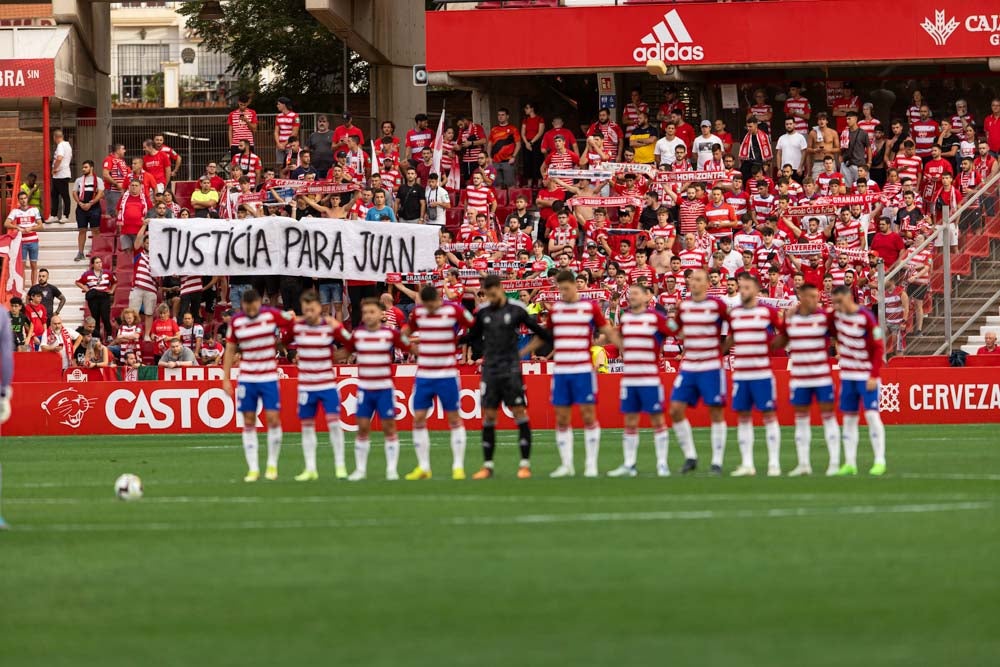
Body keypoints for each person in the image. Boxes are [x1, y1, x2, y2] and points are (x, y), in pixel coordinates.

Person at [466, 275, 551, 480]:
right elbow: (471, 337)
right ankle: (487, 466)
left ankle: (524, 465)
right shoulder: (483, 312)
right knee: (489, 416)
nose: (489, 296)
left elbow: (541, 333)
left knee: (519, 412)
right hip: (490, 370)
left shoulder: (516, 309)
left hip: (511, 370)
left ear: (500, 289)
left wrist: (523, 353)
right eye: (486, 293)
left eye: (492, 292)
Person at [548, 270, 620, 478]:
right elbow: (548, 334)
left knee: (588, 415)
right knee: (562, 416)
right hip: (561, 370)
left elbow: (606, 330)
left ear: (574, 285)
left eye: (566, 288)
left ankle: (590, 464)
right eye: (559, 289)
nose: (563, 292)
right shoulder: (556, 310)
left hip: (582, 370)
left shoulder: (590, 307)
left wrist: (622, 346)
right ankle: (566, 464)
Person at [400, 286, 474, 480]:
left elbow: (475, 325)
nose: (429, 309)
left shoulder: (454, 310)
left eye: (431, 305)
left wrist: (461, 341)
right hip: (424, 374)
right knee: (418, 418)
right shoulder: (419, 313)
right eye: (426, 305)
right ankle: (424, 467)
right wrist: (411, 347)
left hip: (447, 374)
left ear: (439, 299)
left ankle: (458, 466)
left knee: (454, 419)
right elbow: (404, 333)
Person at [222, 289, 295, 482]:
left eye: (254, 307)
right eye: (247, 307)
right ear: (243, 306)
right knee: (248, 420)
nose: (251, 310)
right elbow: (229, 350)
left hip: (268, 376)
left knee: (272, 418)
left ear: (258, 304)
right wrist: (226, 378)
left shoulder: (270, 314)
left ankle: (272, 465)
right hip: (247, 377)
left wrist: (283, 342)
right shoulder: (237, 321)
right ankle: (253, 468)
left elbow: (293, 320)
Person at [666, 268, 730, 475]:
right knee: (675, 409)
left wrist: (722, 349)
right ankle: (690, 456)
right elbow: (676, 329)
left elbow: (734, 326)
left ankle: (717, 462)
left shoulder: (717, 305)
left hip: (711, 366)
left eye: (698, 279)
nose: (693, 282)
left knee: (715, 410)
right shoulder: (683, 307)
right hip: (689, 365)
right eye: (692, 279)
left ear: (707, 284)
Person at [606, 283, 672, 478]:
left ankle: (662, 464)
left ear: (646, 297)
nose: (631, 296)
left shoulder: (656, 318)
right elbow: (619, 341)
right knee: (630, 420)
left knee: (657, 418)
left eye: (635, 293)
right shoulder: (626, 320)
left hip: (649, 377)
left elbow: (674, 329)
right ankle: (629, 464)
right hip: (629, 378)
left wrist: (679, 324)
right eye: (629, 293)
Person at [774, 283, 841, 475]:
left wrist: (840, 351)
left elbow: (840, 335)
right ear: (801, 298)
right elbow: (781, 341)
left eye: (815, 296)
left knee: (828, 418)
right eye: (808, 296)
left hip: (821, 376)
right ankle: (803, 464)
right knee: (801, 419)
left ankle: (834, 463)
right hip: (800, 377)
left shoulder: (824, 318)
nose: (813, 300)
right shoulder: (793, 320)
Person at [342, 298, 410, 481]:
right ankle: (361, 470)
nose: (368, 316)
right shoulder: (357, 334)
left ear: (381, 314)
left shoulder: (390, 334)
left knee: (389, 427)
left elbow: (409, 345)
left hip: (384, 389)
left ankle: (391, 470)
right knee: (362, 428)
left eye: (372, 312)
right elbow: (344, 353)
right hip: (364, 389)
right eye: (365, 313)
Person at [291, 290, 352, 481]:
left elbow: (351, 343)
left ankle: (340, 466)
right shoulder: (297, 327)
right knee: (307, 427)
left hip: (327, 385)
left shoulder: (331, 325)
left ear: (319, 308)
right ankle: (310, 468)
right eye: (306, 309)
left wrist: (334, 357)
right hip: (306, 387)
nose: (309, 312)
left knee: (334, 425)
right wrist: (295, 357)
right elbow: (283, 343)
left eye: (312, 308)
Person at [726, 275, 782, 477]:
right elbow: (732, 338)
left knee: (768, 415)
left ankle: (774, 464)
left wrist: (772, 344)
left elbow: (783, 333)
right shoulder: (735, 314)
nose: (743, 291)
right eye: (741, 287)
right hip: (741, 373)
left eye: (747, 287)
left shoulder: (767, 312)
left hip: (761, 373)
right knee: (743, 417)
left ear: (757, 290)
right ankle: (747, 464)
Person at [832, 285, 886, 476]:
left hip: (865, 376)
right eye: (834, 302)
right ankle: (849, 463)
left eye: (839, 301)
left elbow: (879, 348)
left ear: (848, 298)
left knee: (871, 416)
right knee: (848, 419)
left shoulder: (866, 317)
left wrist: (874, 375)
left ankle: (879, 460)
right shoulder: (836, 317)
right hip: (847, 376)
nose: (836, 306)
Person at [5, 191, 43, 286]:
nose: (23, 200)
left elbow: (41, 226)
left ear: (27, 199)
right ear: (18, 200)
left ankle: (34, 287)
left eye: (25, 198)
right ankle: (22, 287)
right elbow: (6, 223)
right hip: (21, 242)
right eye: (21, 199)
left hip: (33, 240)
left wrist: (31, 228)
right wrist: (17, 227)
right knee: (22, 266)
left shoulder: (34, 210)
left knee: (34, 265)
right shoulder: (15, 211)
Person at [75, 256, 116, 342]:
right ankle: (97, 336)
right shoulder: (87, 274)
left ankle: (109, 335)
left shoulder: (108, 273)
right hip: (93, 297)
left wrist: (112, 290)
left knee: (105, 316)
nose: (99, 264)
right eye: (97, 262)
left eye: (100, 262)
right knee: (95, 317)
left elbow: (115, 282)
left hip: (104, 296)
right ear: (93, 264)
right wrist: (86, 289)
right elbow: (78, 282)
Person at [71, 160, 105, 261]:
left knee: (95, 230)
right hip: (81, 208)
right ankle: (80, 253)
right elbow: (74, 193)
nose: (83, 169)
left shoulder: (98, 180)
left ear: (91, 168)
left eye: (85, 167)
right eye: (83, 167)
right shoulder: (78, 180)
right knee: (82, 230)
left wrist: (91, 203)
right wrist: (80, 203)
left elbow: (100, 193)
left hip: (94, 207)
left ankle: (97, 252)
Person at [49, 129, 73, 223]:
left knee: (64, 195)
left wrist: (54, 168)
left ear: (55, 137)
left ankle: (65, 215)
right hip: (60, 175)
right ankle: (54, 215)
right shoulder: (67, 145)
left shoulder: (61, 145)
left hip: (61, 174)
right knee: (54, 195)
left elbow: (59, 158)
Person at [227, 93, 258, 157]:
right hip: (236, 144)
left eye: (244, 105)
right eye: (241, 104)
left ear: (247, 103)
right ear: (238, 102)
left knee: (249, 164)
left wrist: (247, 121)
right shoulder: (232, 114)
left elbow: (254, 129)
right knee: (235, 165)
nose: (242, 107)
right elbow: (230, 130)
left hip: (248, 143)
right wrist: (231, 144)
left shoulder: (252, 113)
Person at [274, 97, 301, 167]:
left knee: (290, 165)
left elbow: (294, 132)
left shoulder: (295, 116)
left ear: (284, 105)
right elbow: (276, 131)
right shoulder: (278, 116)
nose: (277, 106)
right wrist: (278, 144)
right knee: (280, 165)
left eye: (279, 104)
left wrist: (284, 144)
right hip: (280, 145)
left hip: (290, 145)